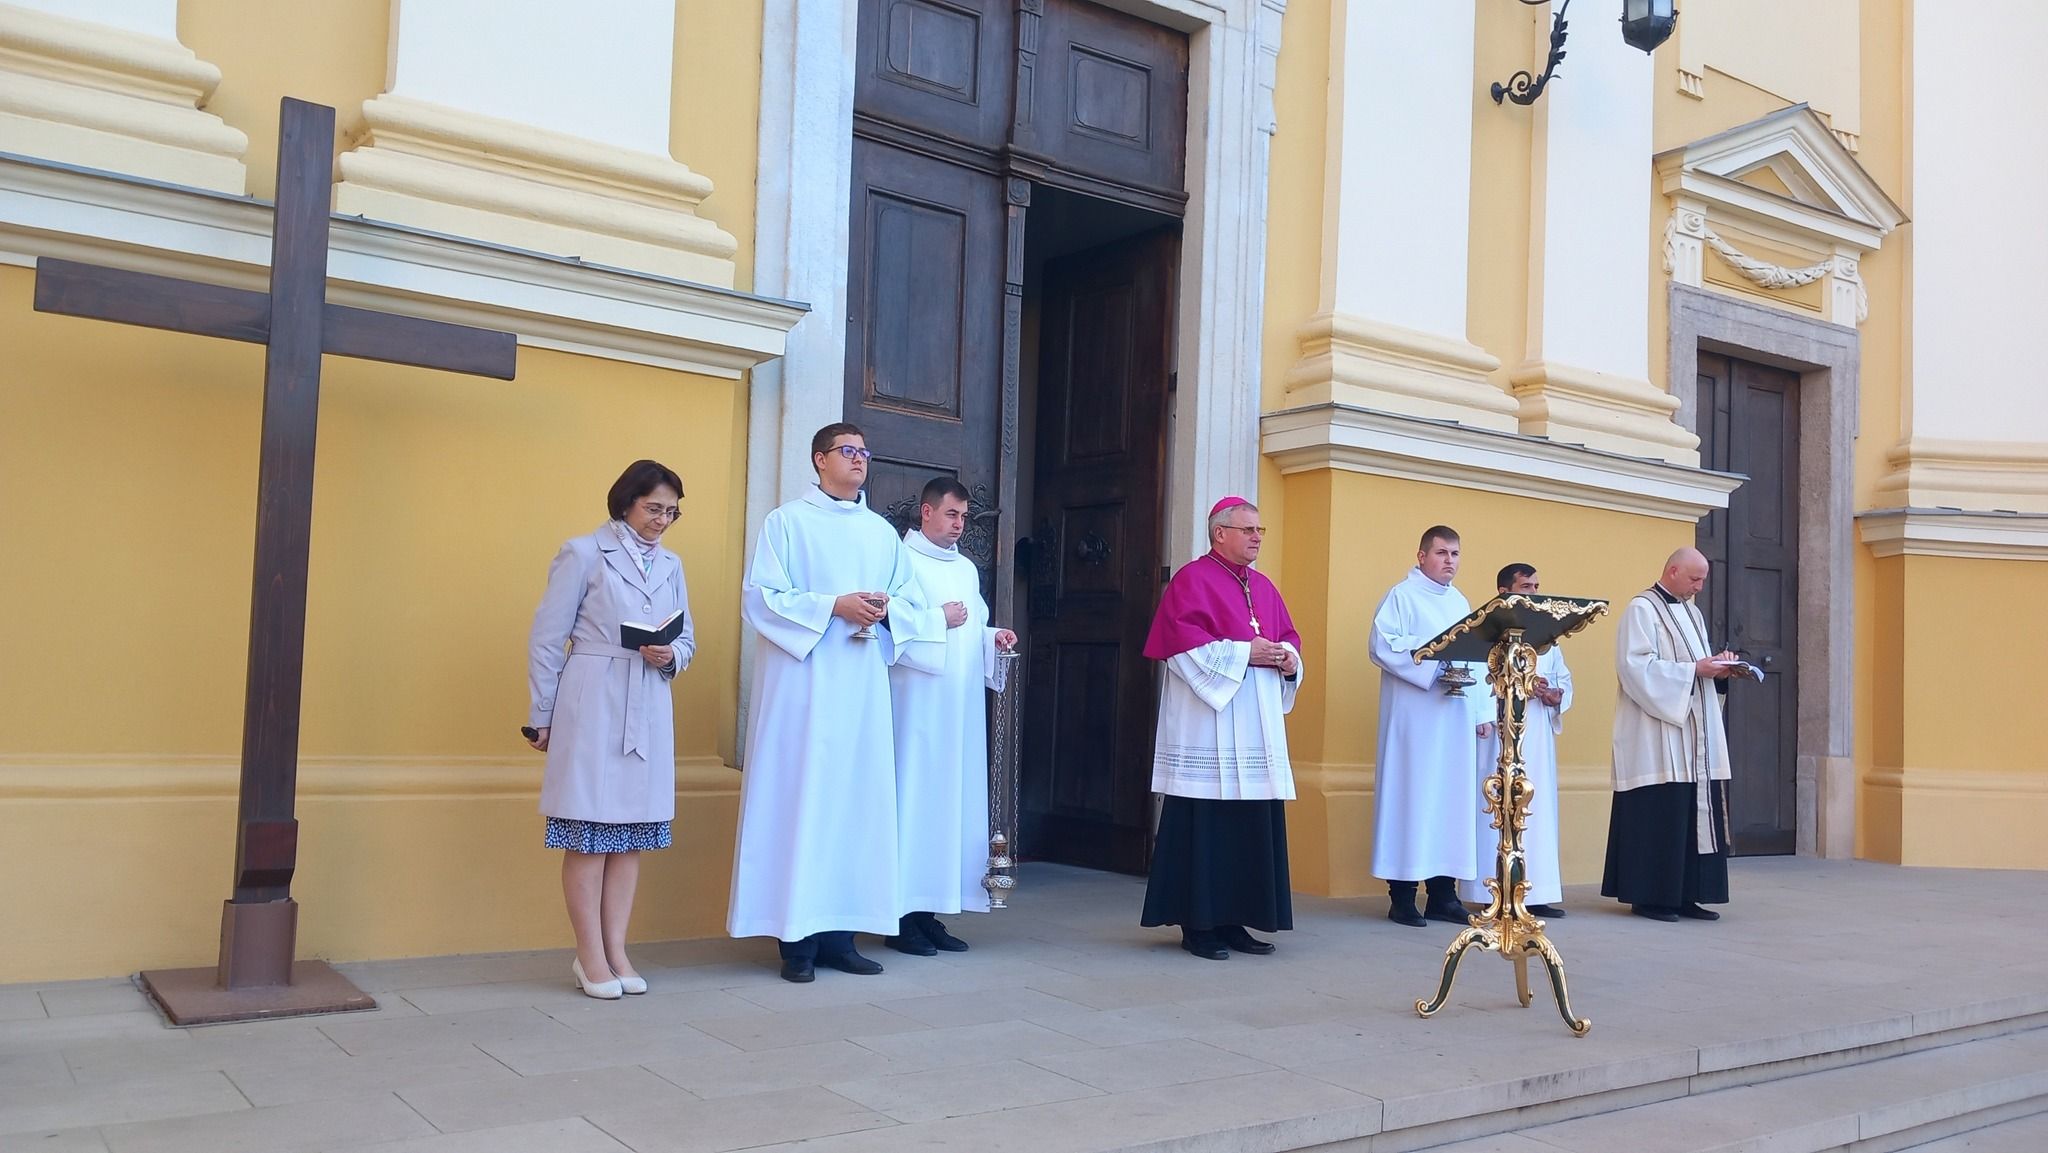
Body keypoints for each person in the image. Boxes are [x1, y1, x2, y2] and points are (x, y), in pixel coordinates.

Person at [729, 422, 929, 982]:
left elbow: (911, 599)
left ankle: (841, 937)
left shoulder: (880, 532)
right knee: (803, 803)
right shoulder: (787, 523)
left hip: (861, 691)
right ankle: (796, 944)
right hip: (804, 691)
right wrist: (832, 607)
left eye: (865, 453)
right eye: (848, 451)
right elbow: (762, 598)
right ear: (819, 460)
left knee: (852, 806)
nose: (859, 460)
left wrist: (886, 610)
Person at [526, 459, 694, 999]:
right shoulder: (582, 553)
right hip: (593, 695)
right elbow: (548, 638)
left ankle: (617, 948)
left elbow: (688, 638)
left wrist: (671, 654)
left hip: (648, 695)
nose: (662, 520)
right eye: (653, 508)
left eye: (671, 511)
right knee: (589, 830)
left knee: (630, 835)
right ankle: (588, 954)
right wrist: (542, 713)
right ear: (625, 502)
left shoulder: (672, 564)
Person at [1140, 497, 1304, 960]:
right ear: (1220, 533)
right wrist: (1244, 654)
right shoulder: (1192, 580)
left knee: (1249, 824)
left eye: (1259, 530)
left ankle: (1235, 921)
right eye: (1248, 529)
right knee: (1205, 824)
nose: (1256, 537)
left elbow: (1288, 637)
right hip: (1208, 724)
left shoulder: (1265, 586)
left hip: (1254, 722)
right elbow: (1180, 645)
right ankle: (1199, 926)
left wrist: (1289, 660)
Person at [884, 478, 1017, 956]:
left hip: (957, 709)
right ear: (925, 512)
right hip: (915, 704)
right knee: (915, 802)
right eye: (951, 515)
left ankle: (932, 912)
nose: (960, 525)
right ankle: (900, 919)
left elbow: (973, 625)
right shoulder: (900, 560)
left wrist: (993, 638)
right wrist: (938, 617)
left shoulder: (964, 568)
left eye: (964, 517)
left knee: (949, 807)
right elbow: (890, 624)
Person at [1602, 547, 1740, 922]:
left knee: (1691, 813)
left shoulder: (1692, 613)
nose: (1699, 587)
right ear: (1673, 570)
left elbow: (1696, 668)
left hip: (1693, 731)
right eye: (1695, 579)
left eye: (1703, 580)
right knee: (1662, 812)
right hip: (1656, 733)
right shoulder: (1641, 610)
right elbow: (1634, 668)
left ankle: (1686, 894)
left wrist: (1719, 671)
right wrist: (1694, 670)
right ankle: (1650, 897)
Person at [1370, 525, 1495, 927]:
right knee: (1412, 799)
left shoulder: (1460, 601)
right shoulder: (1401, 597)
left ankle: (1443, 894)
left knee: (1450, 802)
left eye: (1455, 554)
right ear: (1422, 555)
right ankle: (1402, 896)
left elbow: (1476, 658)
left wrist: (1480, 713)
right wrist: (1434, 667)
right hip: (1415, 721)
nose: (1449, 561)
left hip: (1454, 719)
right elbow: (1382, 645)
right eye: (1441, 553)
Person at [1459, 563, 1574, 918]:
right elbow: (1475, 678)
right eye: (1526, 587)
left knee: (1534, 809)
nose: (1534, 593)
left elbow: (1563, 680)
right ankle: (1488, 893)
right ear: (1505, 591)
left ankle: (1534, 892)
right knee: (1495, 809)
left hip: (1536, 733)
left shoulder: (1545, 635)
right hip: (1499, 732)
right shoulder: (1487, 631)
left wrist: (1555, 695)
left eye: (1537, 586)